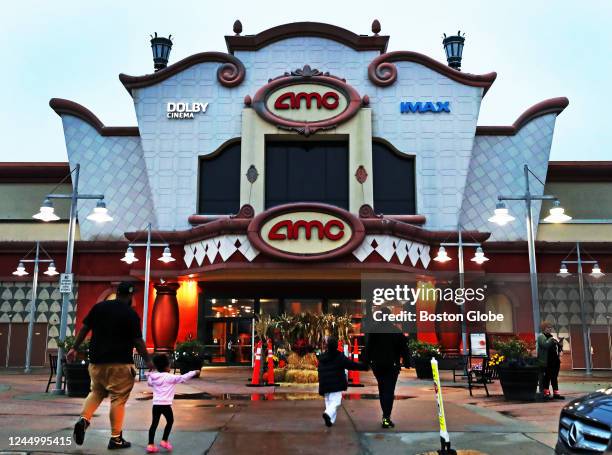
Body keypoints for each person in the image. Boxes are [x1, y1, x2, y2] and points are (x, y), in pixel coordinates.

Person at [67, 282, 152, 450]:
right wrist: (148, 360)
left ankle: (84, 419)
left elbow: (84, 329)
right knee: (118, 399)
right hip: (120, 363)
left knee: (96, 392)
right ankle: (116, 438)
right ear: (129, 296)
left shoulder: (99, 308)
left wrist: (74, 348)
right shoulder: (130, 314)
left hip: (96, 363)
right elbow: (137, 341)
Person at [364, 307, 411, 429]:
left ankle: (385, 415)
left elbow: (369, 348)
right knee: (389, 390)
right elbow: (404, 348)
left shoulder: (374, 330)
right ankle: (386, 416)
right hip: (392, 365)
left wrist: (366, 362)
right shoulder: (396, 330)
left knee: (382, 388)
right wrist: (407, 362)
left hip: (378, 365)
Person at [146, 353, 200, 453]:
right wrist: (194, 372)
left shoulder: (153, 377)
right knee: (170, 421)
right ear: (167, 366)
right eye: (169, 365)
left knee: (154, 424)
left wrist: (151, 374)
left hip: (156, 405)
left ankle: (150, 444)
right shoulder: (170, 377)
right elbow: (183, 377)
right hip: (166, 405)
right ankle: (164, 440)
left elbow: (149, 383)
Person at [317, 336, 368, 427]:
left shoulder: (322, 358)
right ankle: (327, 414)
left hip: (325, 384)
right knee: (336, 402)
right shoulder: (339, 356)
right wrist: (364, 366)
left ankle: (330, 421)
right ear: (336, 346)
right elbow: (351, 365)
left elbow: (320, 371)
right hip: (336, 384)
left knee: (329, 402)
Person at [538, 321, 564, 400]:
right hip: (547, 361)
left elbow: (558, 348)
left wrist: (560, 344)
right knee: (547, 377)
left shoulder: (552, 337)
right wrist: (551, 340)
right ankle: (546, 394)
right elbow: (545, 345)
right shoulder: (541, 336)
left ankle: (556, 393)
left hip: (555, 361)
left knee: (554, 377)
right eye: (547, 328)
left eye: (550, 328)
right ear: (543, 329)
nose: (549, 329)